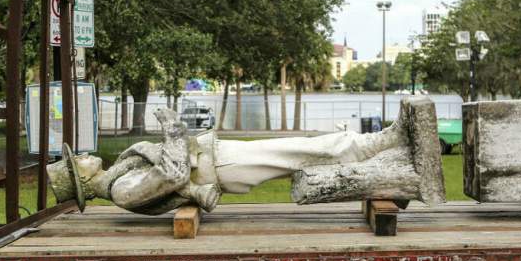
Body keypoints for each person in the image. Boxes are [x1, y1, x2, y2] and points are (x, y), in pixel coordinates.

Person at [48, 98, 444, 215]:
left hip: (217, 158)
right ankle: (380, 146)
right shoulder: (121, 191)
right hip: (220, 168)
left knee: (304, 149)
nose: (82, 155)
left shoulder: (120, 175)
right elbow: (170, 174)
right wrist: (172, 127)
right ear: (81, 180)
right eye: (76, 162)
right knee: (306, 152)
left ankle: (379, 146)